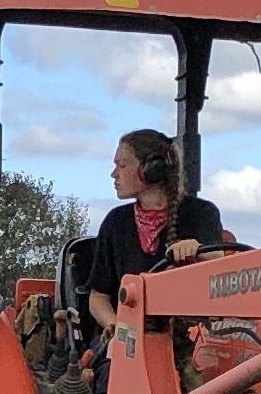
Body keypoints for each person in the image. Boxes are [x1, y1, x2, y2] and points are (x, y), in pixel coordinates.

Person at [73, 129, 234, 336]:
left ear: (152, 169)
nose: (114, 174)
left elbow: (221, 268)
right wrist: (120, 332)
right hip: (127, 339)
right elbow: (98, 297)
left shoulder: (201, 213)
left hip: (190, 338)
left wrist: (198, 250)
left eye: (122, 165)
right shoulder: (116, 222)